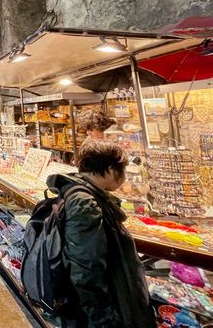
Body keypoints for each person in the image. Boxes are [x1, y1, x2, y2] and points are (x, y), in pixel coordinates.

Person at [47, 140, 155, 328]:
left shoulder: (77, 191)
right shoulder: (85, 203)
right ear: (112, 170)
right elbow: (85, 268)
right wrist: (103, 320)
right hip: (98, 312)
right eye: (123, 171)